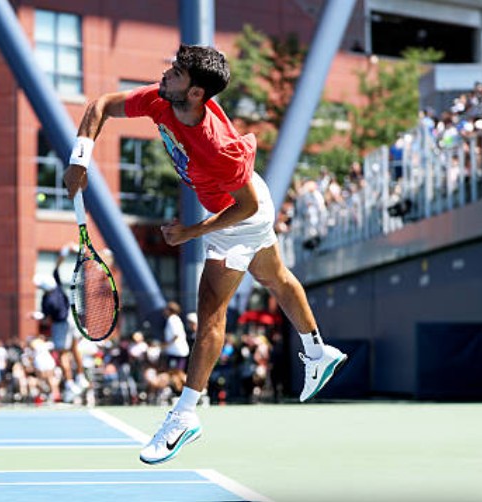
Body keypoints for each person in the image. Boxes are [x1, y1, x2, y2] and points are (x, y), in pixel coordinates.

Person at [62, 44, 347, 465]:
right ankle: (318, 349)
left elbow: (246, 206)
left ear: (196, 93)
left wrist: (192, 233)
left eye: (176, 73)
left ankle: (185, 415)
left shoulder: (217, 146)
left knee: (211, 312)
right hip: (241, 207)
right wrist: (79, 158)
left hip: (240, 216)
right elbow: (101, 105)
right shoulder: (161, 100)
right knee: (275, 276)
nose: (167, 74)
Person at [32, 246, 89, 399]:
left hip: (61, 324)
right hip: (72, 319)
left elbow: (47, 319)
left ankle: (70, 383)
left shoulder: (47, 301)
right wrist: (64, 253)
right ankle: (80, 377)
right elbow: (57, 265)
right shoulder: (56, 286)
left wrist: (36, 316)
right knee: (75, 347)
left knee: (63, 354)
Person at [161, 301, 190, 371]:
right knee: (176, 373)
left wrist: (166, 345)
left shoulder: (172, 319)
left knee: (175, 374)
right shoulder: (176, 319)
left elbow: (176, 335)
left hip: (176, 352)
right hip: (177, 351)